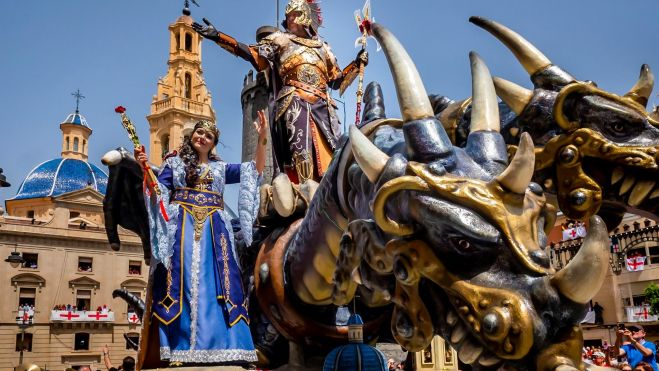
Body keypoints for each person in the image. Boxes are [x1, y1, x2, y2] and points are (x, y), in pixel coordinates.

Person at [134, 113, 268, 366]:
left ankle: (226, 345)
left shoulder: (220, 168)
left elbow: (254, 170)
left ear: (213, 143)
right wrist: (145, 170)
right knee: (181, 281)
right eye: (199, 133)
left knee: (219, 282)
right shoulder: (174, 165)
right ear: (192, 136)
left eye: (209, 136)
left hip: (215, 231)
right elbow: (158, 192)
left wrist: (262, 137)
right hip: (182, 228)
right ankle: (179, 346)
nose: (203, 137)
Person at [193, 0, 368, 184]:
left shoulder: (324, 49)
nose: (290, 19)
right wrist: (219, 37)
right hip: (294, 100)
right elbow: (253, 53)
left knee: (334, 151)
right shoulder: (280, 40)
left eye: (295, 14)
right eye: (288, 16)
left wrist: (356, 65)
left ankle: (333, 188)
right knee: (301, 149)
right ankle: (304, 189)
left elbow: (335, 80)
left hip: (323, 106)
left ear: (306, 16)